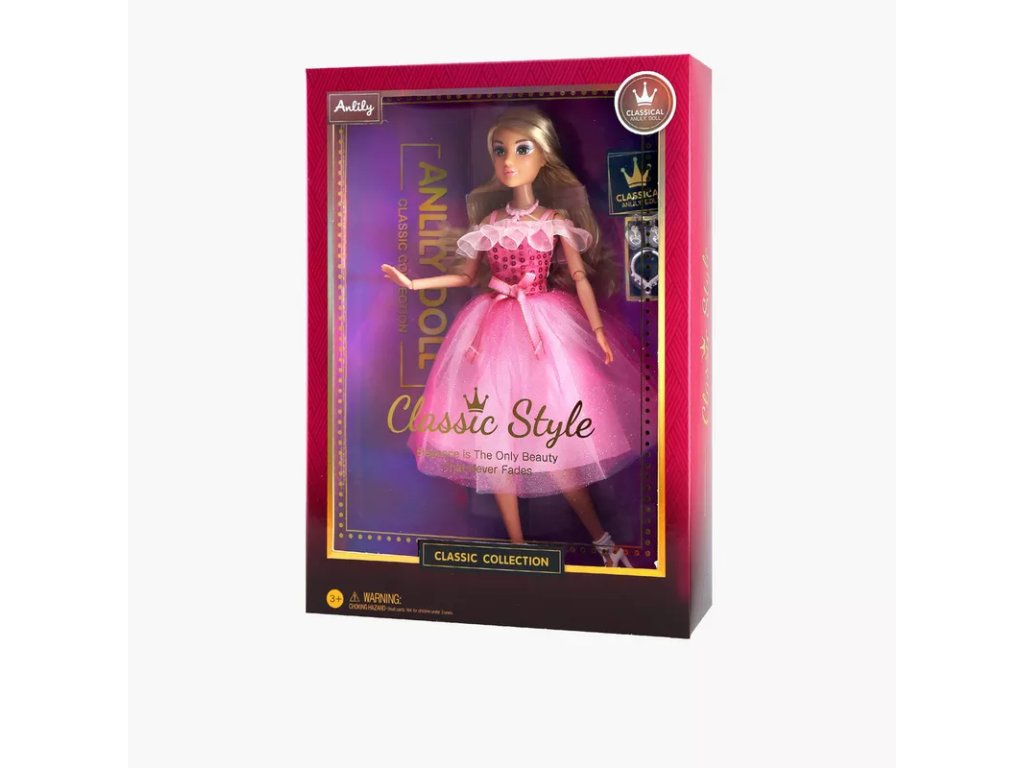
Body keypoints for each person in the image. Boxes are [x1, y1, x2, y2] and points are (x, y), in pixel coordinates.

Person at [381, 107, 644, 567]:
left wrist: (598, 330)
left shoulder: (555, 220)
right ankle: (518, 550)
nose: (508, 161)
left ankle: (604, 541)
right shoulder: (489, 224)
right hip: (491, 331)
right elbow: (466, 277)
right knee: (495, 445)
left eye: (522, 150)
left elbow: (579, 278)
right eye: (499, 150)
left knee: (557, 441)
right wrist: (413, 284)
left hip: (545, 329)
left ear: (544, 157)